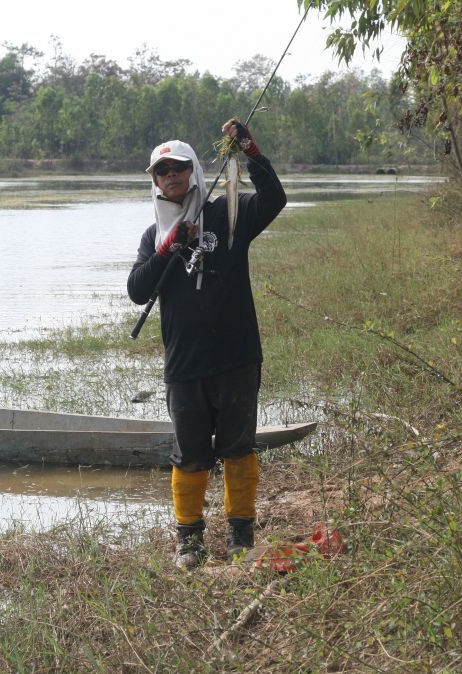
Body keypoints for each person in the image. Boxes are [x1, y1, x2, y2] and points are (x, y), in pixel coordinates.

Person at [127, 119, 287, 569]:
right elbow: (138, 290)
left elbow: (275, 201)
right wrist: (169, 247)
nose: (170, 177)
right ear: (155, 182)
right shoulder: (153, 236)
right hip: (185, 365)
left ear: (194, 170)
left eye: (178, 168)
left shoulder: (227, 214)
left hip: (236, 356)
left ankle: (241, 533)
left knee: (238, 447)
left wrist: (253, 155)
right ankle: (189, 541)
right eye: (161, 172)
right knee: (190, 454)